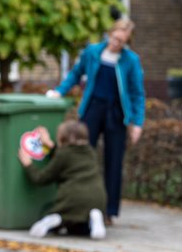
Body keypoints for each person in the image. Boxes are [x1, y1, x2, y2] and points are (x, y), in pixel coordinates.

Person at [46, 18, 145, 224]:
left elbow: (137, 93)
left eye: (122, 41)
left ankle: (109, 211)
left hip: (116, 114)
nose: (117, 43)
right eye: (115, 38)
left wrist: (137, 122)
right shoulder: (92, 52)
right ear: (110, 33)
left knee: (114, 161)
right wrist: (59, 91)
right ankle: (78, 205)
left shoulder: (130, 60)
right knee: (82, 156)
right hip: (93, 109)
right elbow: (75, 74)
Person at [18, 121, 108, 239]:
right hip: (98, 199)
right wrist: (50, 145)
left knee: (66, 220)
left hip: (71, 199)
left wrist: (28, 164)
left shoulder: (63, 154)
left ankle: (58, 218)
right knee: (81, 228)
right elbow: (72, 157)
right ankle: (94, 219)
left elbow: (41, 178)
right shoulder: (91, 152)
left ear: (62, 139)